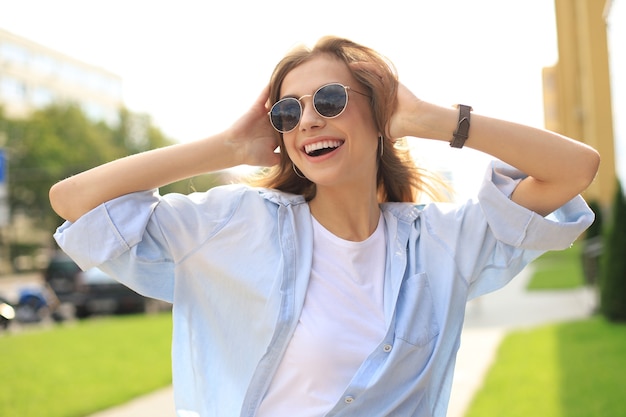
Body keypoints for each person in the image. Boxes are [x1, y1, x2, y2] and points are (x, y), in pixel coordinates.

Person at [49, 36, 599, 417]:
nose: (308, 118)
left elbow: (575, 169)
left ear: (379, 116)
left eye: (331, 101)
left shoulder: (441, 244)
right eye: (287, 112)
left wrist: (432, 119)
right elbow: (74, 200)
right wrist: (228, 146)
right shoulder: (238, 225)